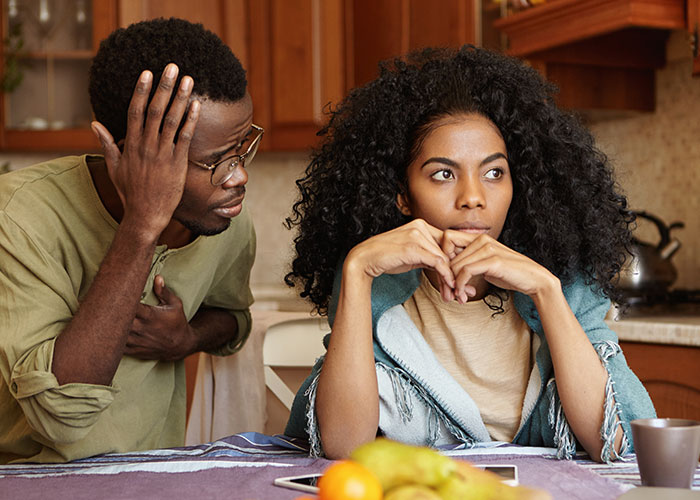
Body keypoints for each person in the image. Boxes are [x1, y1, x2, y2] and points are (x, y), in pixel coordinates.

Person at [283, 46, 655, 463]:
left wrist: (545, 290)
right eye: (444, 174)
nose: (473, 198)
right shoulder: (376, 282)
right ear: (403, 196)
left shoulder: (565, 278)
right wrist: (355, 270)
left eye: (494, 172)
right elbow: (343, 446)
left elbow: (621, 441)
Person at [0, 18, 262, 463]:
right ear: (129, 154)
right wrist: (142, 224)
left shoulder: (222, 217)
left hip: (153, 475)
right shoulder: (18, 218)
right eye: (217, 161)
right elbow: (59, 415)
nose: (239, 177)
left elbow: (234, 317)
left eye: (244, 148)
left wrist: (187, 337)